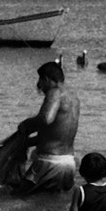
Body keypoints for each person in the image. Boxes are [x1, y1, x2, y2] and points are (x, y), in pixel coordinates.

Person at [14, 61, 80, 194]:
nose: (40, 85)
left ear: (46, 79)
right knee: (51, 200)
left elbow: (46, 119)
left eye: (40, 80)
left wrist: (25, 124)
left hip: (49, 161)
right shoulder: (74, 97)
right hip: (68, 163)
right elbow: (54, 135)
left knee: (17, 196)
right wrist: (27, 142)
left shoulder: (55, 92)